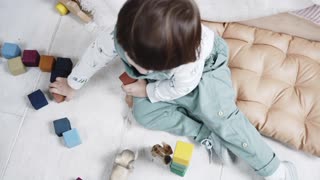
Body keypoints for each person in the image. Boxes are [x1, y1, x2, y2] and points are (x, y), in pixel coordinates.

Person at [49, 0, 298, 179]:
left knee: (219, 114)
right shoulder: (121, 35)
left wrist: (149, 90)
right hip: (170, 78)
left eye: (140, 66)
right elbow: (97, 54)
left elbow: (184, 85)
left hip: (205, 72)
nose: (130, 65)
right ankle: (204, 135)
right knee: (143, 114)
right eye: (128, 56)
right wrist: (73, 84)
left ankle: (274, 169)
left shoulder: (189, 60)